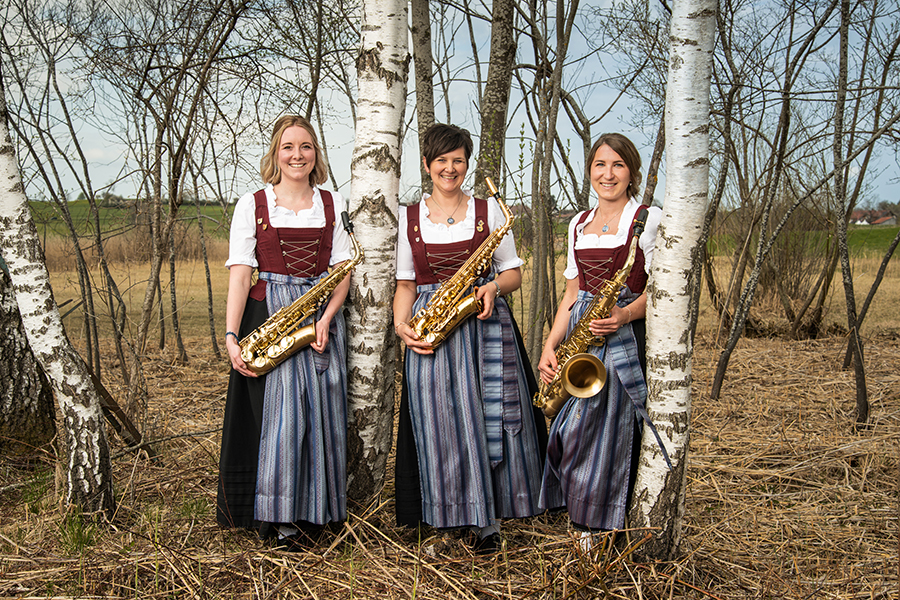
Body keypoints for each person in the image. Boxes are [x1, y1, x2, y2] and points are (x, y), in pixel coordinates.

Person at [392, 123, 546, 553]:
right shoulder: (410, 219)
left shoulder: (489, 212)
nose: (450, 168)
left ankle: (488, 520)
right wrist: (403, 328)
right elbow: (405, 285)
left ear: (467, 162)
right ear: (426, 164)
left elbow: (513, 272)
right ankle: (445, 518)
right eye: (441, 160)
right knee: (437, 425)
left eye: (458, 159)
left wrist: (493, 287)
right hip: (431, 331)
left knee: (487, 418)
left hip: (483, 328)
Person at [216, 115, 353, 549]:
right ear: (276, 153)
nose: (298, 155)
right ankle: (279, 517)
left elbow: (342, 271)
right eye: (288, 147)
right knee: (279, 418)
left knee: (322, 414)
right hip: (269, 315)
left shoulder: (331, 202)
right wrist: (231, 335)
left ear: (316, 154)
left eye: (306, 147)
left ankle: (317, 513)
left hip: (319, 314)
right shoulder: (253, 204)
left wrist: (327, 318)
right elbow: (240, 275)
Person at [537, 133, 663, 533]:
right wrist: (550, 344)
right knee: (567, 429)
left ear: (632, 172)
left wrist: (625, 315)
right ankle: (581, 514)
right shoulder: (577, 223)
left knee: (605, 433)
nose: (608, 174)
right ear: (590, 170)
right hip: (582, 335)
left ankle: (597, 526)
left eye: (618, 165)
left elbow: (663, 291)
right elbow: (572, 294)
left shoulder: (649, 218)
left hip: (622, 338)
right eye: (600, 165)